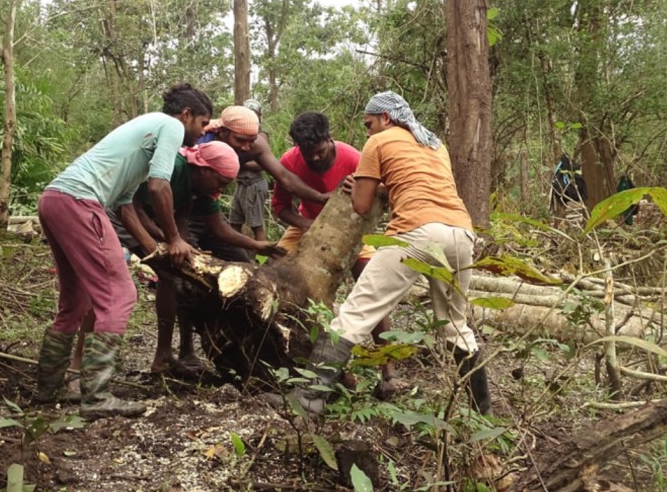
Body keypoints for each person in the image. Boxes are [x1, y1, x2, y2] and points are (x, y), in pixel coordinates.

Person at [269, 91, 491, 417]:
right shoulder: (433, 143)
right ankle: (481, 413)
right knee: (456, 326)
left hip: (417, 231)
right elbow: (415, 184)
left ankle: (308, 399)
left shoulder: (379, 142)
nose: (368, 132)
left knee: (356, 314)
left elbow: (360, 205)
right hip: (460, 233)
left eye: (369, 124)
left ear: (386, 118)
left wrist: (360, 186)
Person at [35, 83, 211, 419]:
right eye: (203, 124)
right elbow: (159, 186)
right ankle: (97, 396)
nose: (202, 134)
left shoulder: (145, 135)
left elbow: (124, 205)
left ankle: (47, 387)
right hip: (79, 200)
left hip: (54, 198)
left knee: (75, 300)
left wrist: (154, 248)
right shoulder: (170, 126)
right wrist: (174, 238)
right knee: (120, 294)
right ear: (187, 115)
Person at [117, 141, 285, 377]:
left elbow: (206, 224)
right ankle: (161, 355)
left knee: (184, 274)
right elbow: (134, 204)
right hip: (120, 213)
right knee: (154, 280)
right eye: (221, 183)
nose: (223, 189)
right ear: (205, 169)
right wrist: (166, 240)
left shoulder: (202, 186)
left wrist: (256, 246)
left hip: (154, 222)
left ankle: (187, 350)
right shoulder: (174, 166)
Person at [272, 111, 400, 390]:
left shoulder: (355, 158)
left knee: (371, 285)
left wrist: (372, 186)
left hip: (354, 228)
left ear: (330, 139)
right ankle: (277, 357)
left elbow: (389, 191)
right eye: (308, 154)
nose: (315, 159)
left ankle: (388, 371)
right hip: (307, 225)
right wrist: (311, 226)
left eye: (319, 152)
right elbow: (281, 208)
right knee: (272, 275)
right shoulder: (289, 162)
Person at [202, 106, 331, 208]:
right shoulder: (201, 143)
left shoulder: (256, 146)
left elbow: (285, 178)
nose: (246, 147)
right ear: (223, 132)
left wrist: (320, 198)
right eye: (240, 140)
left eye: (251, 141)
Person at [227, 99, 269, 242]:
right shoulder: (238, 135)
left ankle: (262, 260)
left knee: (257, 226)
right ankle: (237, 257)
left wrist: (235, 163)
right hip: (241, 184)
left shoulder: (260, 136)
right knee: (234, 223)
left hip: (254, 184)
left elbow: (260, 165)